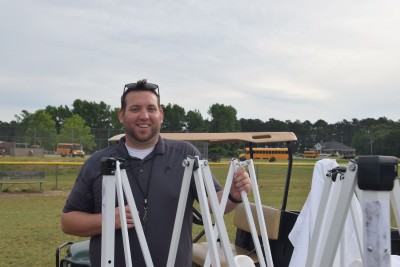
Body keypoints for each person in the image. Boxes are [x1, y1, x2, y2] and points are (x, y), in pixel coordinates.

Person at [61, 79, 252, 267]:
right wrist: (106, 220)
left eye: (151, 109)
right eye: (135, 109)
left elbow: (215, 205)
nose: (144, 116)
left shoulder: (186, 155)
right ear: (121, 115)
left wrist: (233, 195)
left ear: (160, 114)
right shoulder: (98, 162)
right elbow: (68, 222)